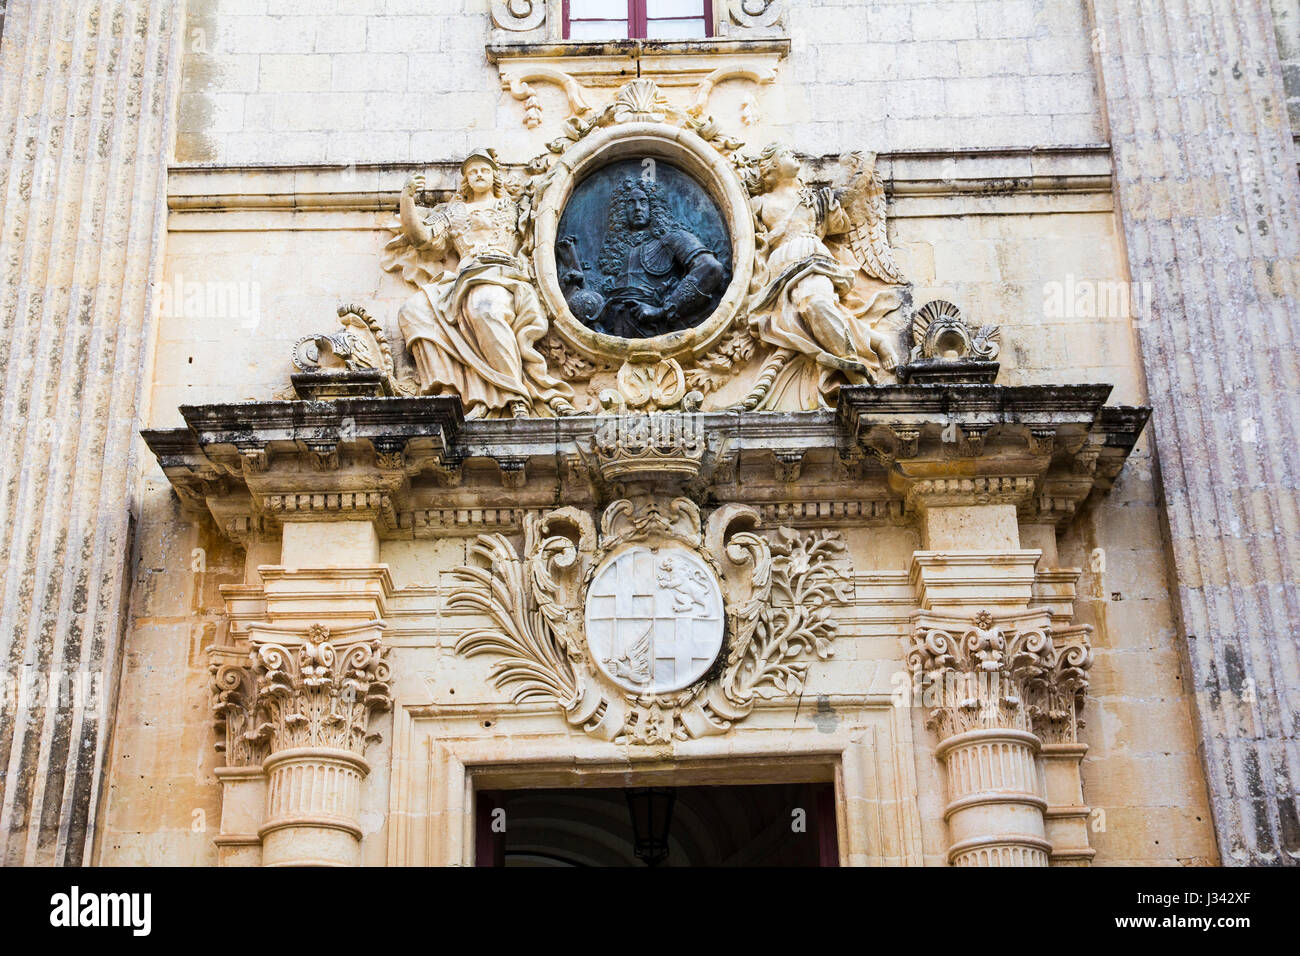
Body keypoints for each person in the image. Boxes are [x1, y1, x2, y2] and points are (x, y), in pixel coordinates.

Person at [389, 149, 574, 418]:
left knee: (484, 307)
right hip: (463, 277)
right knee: (412, 311)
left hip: (501, 275)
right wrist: (407, 200)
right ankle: (450, 388)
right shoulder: (454, 212)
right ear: (465, 179)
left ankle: (515, 393)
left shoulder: (513, 206)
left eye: (484, 170)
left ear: (494, 176)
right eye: (472, 171)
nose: (478, 174)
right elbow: (422, 239)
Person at [746, 143, 903, 403]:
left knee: (816, 304)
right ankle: (869, 344)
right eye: (785, 154)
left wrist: (857, 166)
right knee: (804, 315)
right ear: (772, 166)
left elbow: (845, 196)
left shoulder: (814, 199)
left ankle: (854, 364)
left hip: (812, 257)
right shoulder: (759, 203)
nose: (793, 155)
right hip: (781, 265)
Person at [570, 176, 726, 339]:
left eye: (643, 202)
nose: (638, 208)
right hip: (613, 328)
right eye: (631, 203)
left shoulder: (673, 238)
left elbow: (710, 267)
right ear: (621, 210)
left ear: (654, 206)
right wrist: (584, 282)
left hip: (655, 329)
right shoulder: (618, 247)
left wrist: (662, 310)